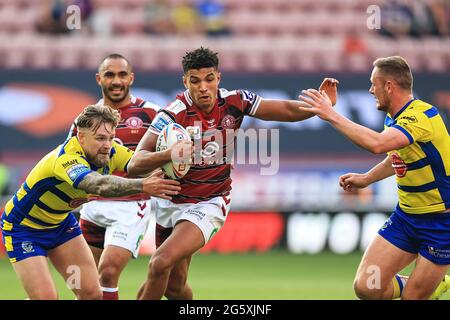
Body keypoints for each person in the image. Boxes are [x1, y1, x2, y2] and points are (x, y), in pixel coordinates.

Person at [126, 47, 338, 300]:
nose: (203, 87)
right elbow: (134, 164)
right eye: (195, 81)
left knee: (159, 263)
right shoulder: (173, 114)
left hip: (209, 201)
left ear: (219, 78)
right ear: (185, 82)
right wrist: (169, 154)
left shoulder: (236, 102)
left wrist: (320, 107)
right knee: (174, 287)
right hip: (170, 203)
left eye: (209, 79)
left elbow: (287, 111)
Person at [298, 55, 450, 300]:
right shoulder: (395, 118)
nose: (370, 90)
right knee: (367, 286)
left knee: (413, 298)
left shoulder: (421, 116)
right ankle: (430, 284)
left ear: (389, 86)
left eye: (373, 84)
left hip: (441, 222)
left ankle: (428, 287)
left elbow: (378, 144)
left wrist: (330, 115)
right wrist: (367, 178)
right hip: (406, 218)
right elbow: (398, 156)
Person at [0, 104, 180, 300]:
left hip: (60, 226)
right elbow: (97, 185)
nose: (107, 145)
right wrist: (143, 186)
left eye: (110, 138)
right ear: (81, 137)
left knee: (92, 294)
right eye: (100, 138)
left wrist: (171, 162)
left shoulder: (111, 152)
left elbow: (139, 166)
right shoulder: (66, 159)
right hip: (23, 229)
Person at [67, 53, 161, 300]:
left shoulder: (151, 113)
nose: (116, 81)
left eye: (122, 74)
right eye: (110, 75)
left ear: (131, 77)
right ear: (99, 79)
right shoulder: (85, 120)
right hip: (93, 204)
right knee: (85, 284)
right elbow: (68, 159)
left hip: (131, 206)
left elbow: (172, 151)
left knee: (107, 272)